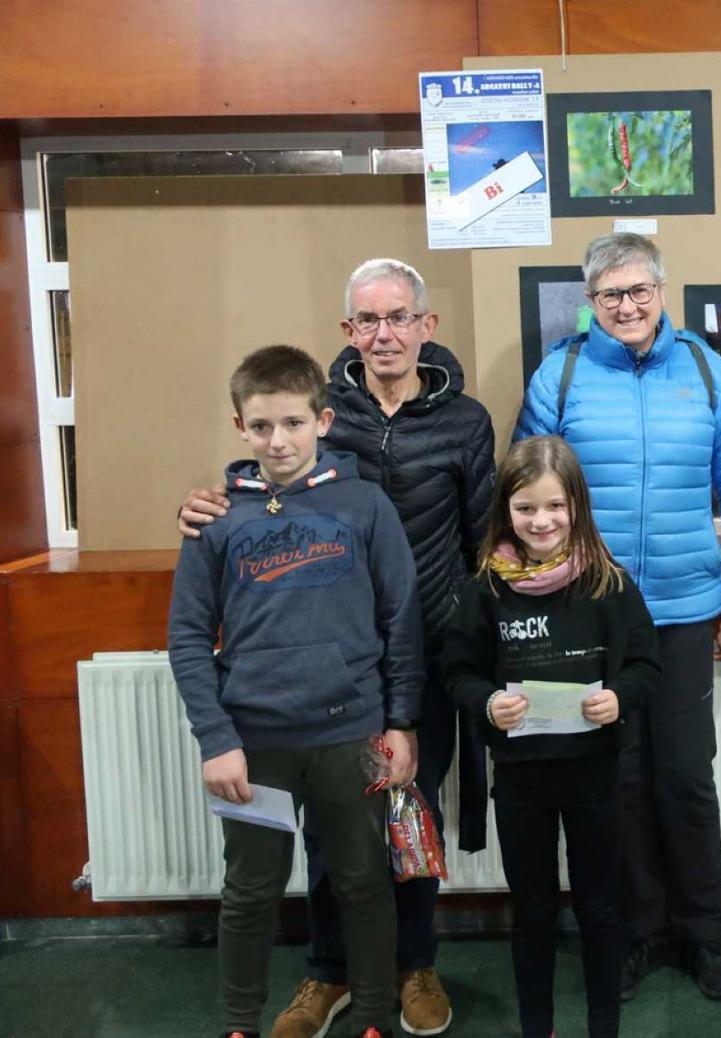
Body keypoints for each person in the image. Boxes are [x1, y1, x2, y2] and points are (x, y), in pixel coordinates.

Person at [178, 259, 495, 1037]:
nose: (383, 333)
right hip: (319, 676)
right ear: (348, 333)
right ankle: (329, 972)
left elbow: (484, 533)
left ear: (426, 325)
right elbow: (264, 487)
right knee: (330, 836)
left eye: (398, 317)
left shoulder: (466, 420)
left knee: (404, 819)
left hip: (422, 655)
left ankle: (413, 966)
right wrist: (206, 500)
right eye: (366, 320)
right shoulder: (325, 408)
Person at [513, 233, 721, 1001]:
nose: (626, 306)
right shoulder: (560, 374)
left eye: (638, 291)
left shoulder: (702, 368)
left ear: (662, 293)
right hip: (593, 616)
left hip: (689, 611)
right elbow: (526, 495)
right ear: (589, 302)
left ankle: (704, 936)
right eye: (609, 295)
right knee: (615, 783)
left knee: (686, 779)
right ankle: (632, 932)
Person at [168, 345, 424, 1038]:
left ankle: (372, 1013)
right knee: (250, 892)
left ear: (323, 419)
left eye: (291, 423)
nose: (278, 441)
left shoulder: (365, 504)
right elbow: (188, 638)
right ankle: (240, 1022)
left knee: (363, 882)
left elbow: (401, 619)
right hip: (256, 745)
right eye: (261, 426)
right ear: (239, 426)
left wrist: (401, 722)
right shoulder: (216, 519)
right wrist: (217, 740)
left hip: (351, 736)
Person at [442, 435, 661, 1038]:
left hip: (595, 775)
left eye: (555, 506)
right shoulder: (486, 589)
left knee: (600, 910)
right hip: (520, 782)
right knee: (532, 914)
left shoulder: (608, 583)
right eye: (526, 508)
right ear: (505, 513)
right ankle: (538, 1028)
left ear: (577, 508)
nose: (542, 521)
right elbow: (457, 673)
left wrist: (620, 698)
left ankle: (603, 1028)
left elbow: (647, 666)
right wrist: (488, 703)